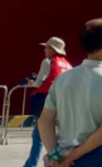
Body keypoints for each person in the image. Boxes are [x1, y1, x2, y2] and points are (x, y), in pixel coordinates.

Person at [36, 20, 102, 167]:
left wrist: (55, 155)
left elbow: (44, 120)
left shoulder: (62, 79)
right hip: (93, 157)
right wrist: (73, 156)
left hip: (60, 156)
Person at [23, 37, 73, 167]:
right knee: (61, 137)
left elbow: (39, 82)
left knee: (39, 135)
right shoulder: (68, 65)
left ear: (52, 49)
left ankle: (32, 164)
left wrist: (29, 83)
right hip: (64, 104)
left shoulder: (48, 61)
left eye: (46, 47)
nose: (44, 50)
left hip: (46, 103)